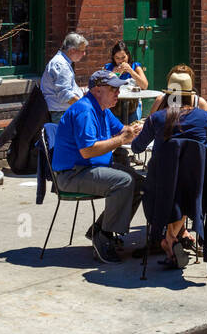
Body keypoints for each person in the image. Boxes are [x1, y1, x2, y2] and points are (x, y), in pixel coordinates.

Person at [49, 69, 145, 263]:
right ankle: (104, 237)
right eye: (114, 89)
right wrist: (121, 139)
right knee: (124, 182)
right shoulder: (85, 110)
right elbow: (88, 151)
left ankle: (100, 230)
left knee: (140, 183)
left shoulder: (102, 109)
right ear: (97, 90)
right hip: (72, 175)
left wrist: (138, 128)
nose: (118, 93)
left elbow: (122, 131)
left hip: (89, 170)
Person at [132, 79, 207, 268]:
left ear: (169, 96)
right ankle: (171, 239)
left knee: (173, 187)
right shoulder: (202, 117)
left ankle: (169, 240)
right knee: (185, 188)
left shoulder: (157, 118)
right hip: (195, 187)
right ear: (190, 96)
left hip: (161, 184)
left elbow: (136, 147)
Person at [40, 33, 88, 120]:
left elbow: (65, 89)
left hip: (62, 112)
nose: (84, 54)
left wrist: (82, 91)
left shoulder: (63, 62)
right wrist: (85, 105)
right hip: (61, 113)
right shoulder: (61, 65)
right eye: (82, 51)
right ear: (72, 50)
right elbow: (65, 95)